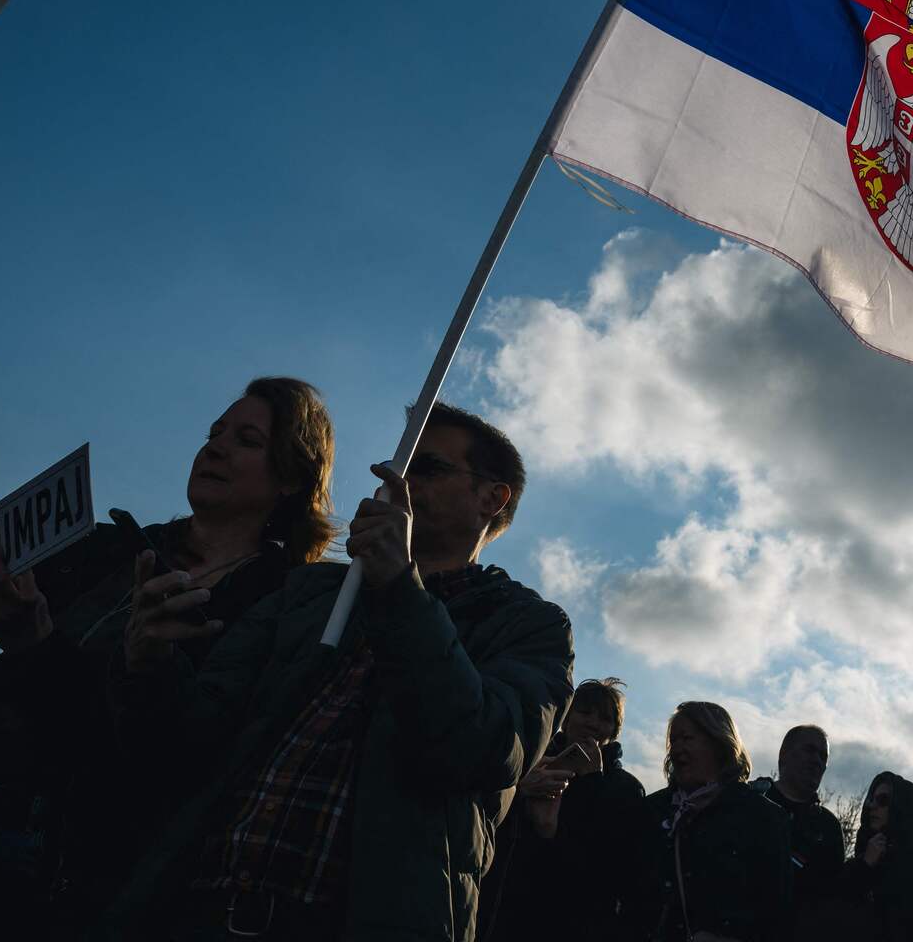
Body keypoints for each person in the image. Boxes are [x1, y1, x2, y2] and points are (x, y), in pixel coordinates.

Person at [0, 378, 335, 931]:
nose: (214, 447)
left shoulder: (281, 609)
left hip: (49, 884)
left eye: (246, 440)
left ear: (292, 475)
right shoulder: (103, 549)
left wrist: (38, 649)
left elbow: (160, 763)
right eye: (214, 432)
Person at [109, 402, 574, 940]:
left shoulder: (528, 624)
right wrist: (150, 665)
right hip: (199, 909)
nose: (400, 482)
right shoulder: (310, 591)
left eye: (428, 468)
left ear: (492, 499)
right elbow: (190, 739)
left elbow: (486, 748)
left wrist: (401, 589)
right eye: (398, 465)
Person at [477, 676, 646, 941]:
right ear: (565, 716)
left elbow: (612, 864)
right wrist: (517, 793)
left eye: (605, 718)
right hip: (507, 915)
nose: (593, 723)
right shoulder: (527, 764)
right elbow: (486, 829)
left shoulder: (625, 789)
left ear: (614, 730)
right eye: (584, 711)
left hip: (575, 923)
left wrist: (591, 783)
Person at [623, 700, 791, 941]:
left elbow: (777, 911)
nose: (677, 748)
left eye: (687, 738)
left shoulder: (763, 818)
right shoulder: (651, 811)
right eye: (674, 741)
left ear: (718, 743)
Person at [822, 770, 913, 942]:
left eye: (883, 801)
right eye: (871, 800)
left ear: (903, 807)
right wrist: (864, 866)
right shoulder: (863, 863)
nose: (872, 806)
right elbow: (831, 909)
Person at [751, 723, 846, 932]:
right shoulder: (750, 803)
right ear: (783, 754)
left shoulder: (828, 827)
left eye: (823, 757)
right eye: (809, 750)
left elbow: (832, 900)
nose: (817, 761)